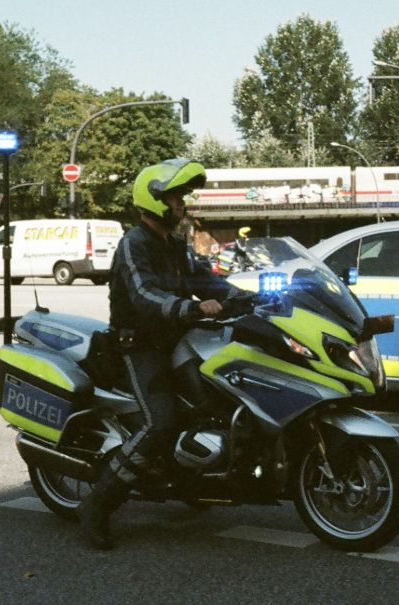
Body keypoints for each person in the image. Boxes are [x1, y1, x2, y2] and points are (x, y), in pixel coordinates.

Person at [79, 158, 245, 550]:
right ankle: (98, 504)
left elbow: (204, 279)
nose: (181, 204)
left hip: (176, 340)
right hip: (138, 345)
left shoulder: (175, 245)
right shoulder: (134, 244)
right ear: (153, 200)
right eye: (174, 198)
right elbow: (144, 294)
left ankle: (190, 476)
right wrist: (189, 308)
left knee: (212, 399)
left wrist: (244, 296)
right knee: (161, 422)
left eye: (181, 197)